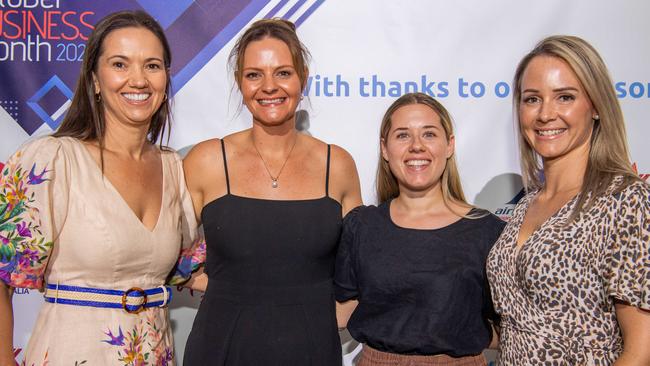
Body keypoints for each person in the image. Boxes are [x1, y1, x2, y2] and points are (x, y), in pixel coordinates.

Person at [0, 10, 202, 365]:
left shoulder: (175, 169)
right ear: (94, 79)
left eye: (152, 66)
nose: (138, 80)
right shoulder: (50, 161)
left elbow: (189, 273)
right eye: (120, 64)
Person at [182, 19, 362, 365]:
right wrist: (222, 286)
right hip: (221, 345)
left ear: (302, 78)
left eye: (282, 73)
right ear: (240, 83)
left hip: (310, 347)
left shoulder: (336, 165)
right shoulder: (207, 160)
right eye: (254, 75)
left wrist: (339, 307)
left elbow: (359, 265)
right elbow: (159, 246)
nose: (268, 87)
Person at [486, 35, 650, 365]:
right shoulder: (524, 206)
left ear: (597, 107)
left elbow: (641, 351)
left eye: (565, 97)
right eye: (532, 99)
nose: (546, 114)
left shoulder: (627, 201)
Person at [335, 92, 505, 366]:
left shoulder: (487, 231)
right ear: (384, 148)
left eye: (429, 134)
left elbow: (511, 327)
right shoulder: (361, 226)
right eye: (402, 135)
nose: (416, 146)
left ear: (449, 145)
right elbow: (342, 311)